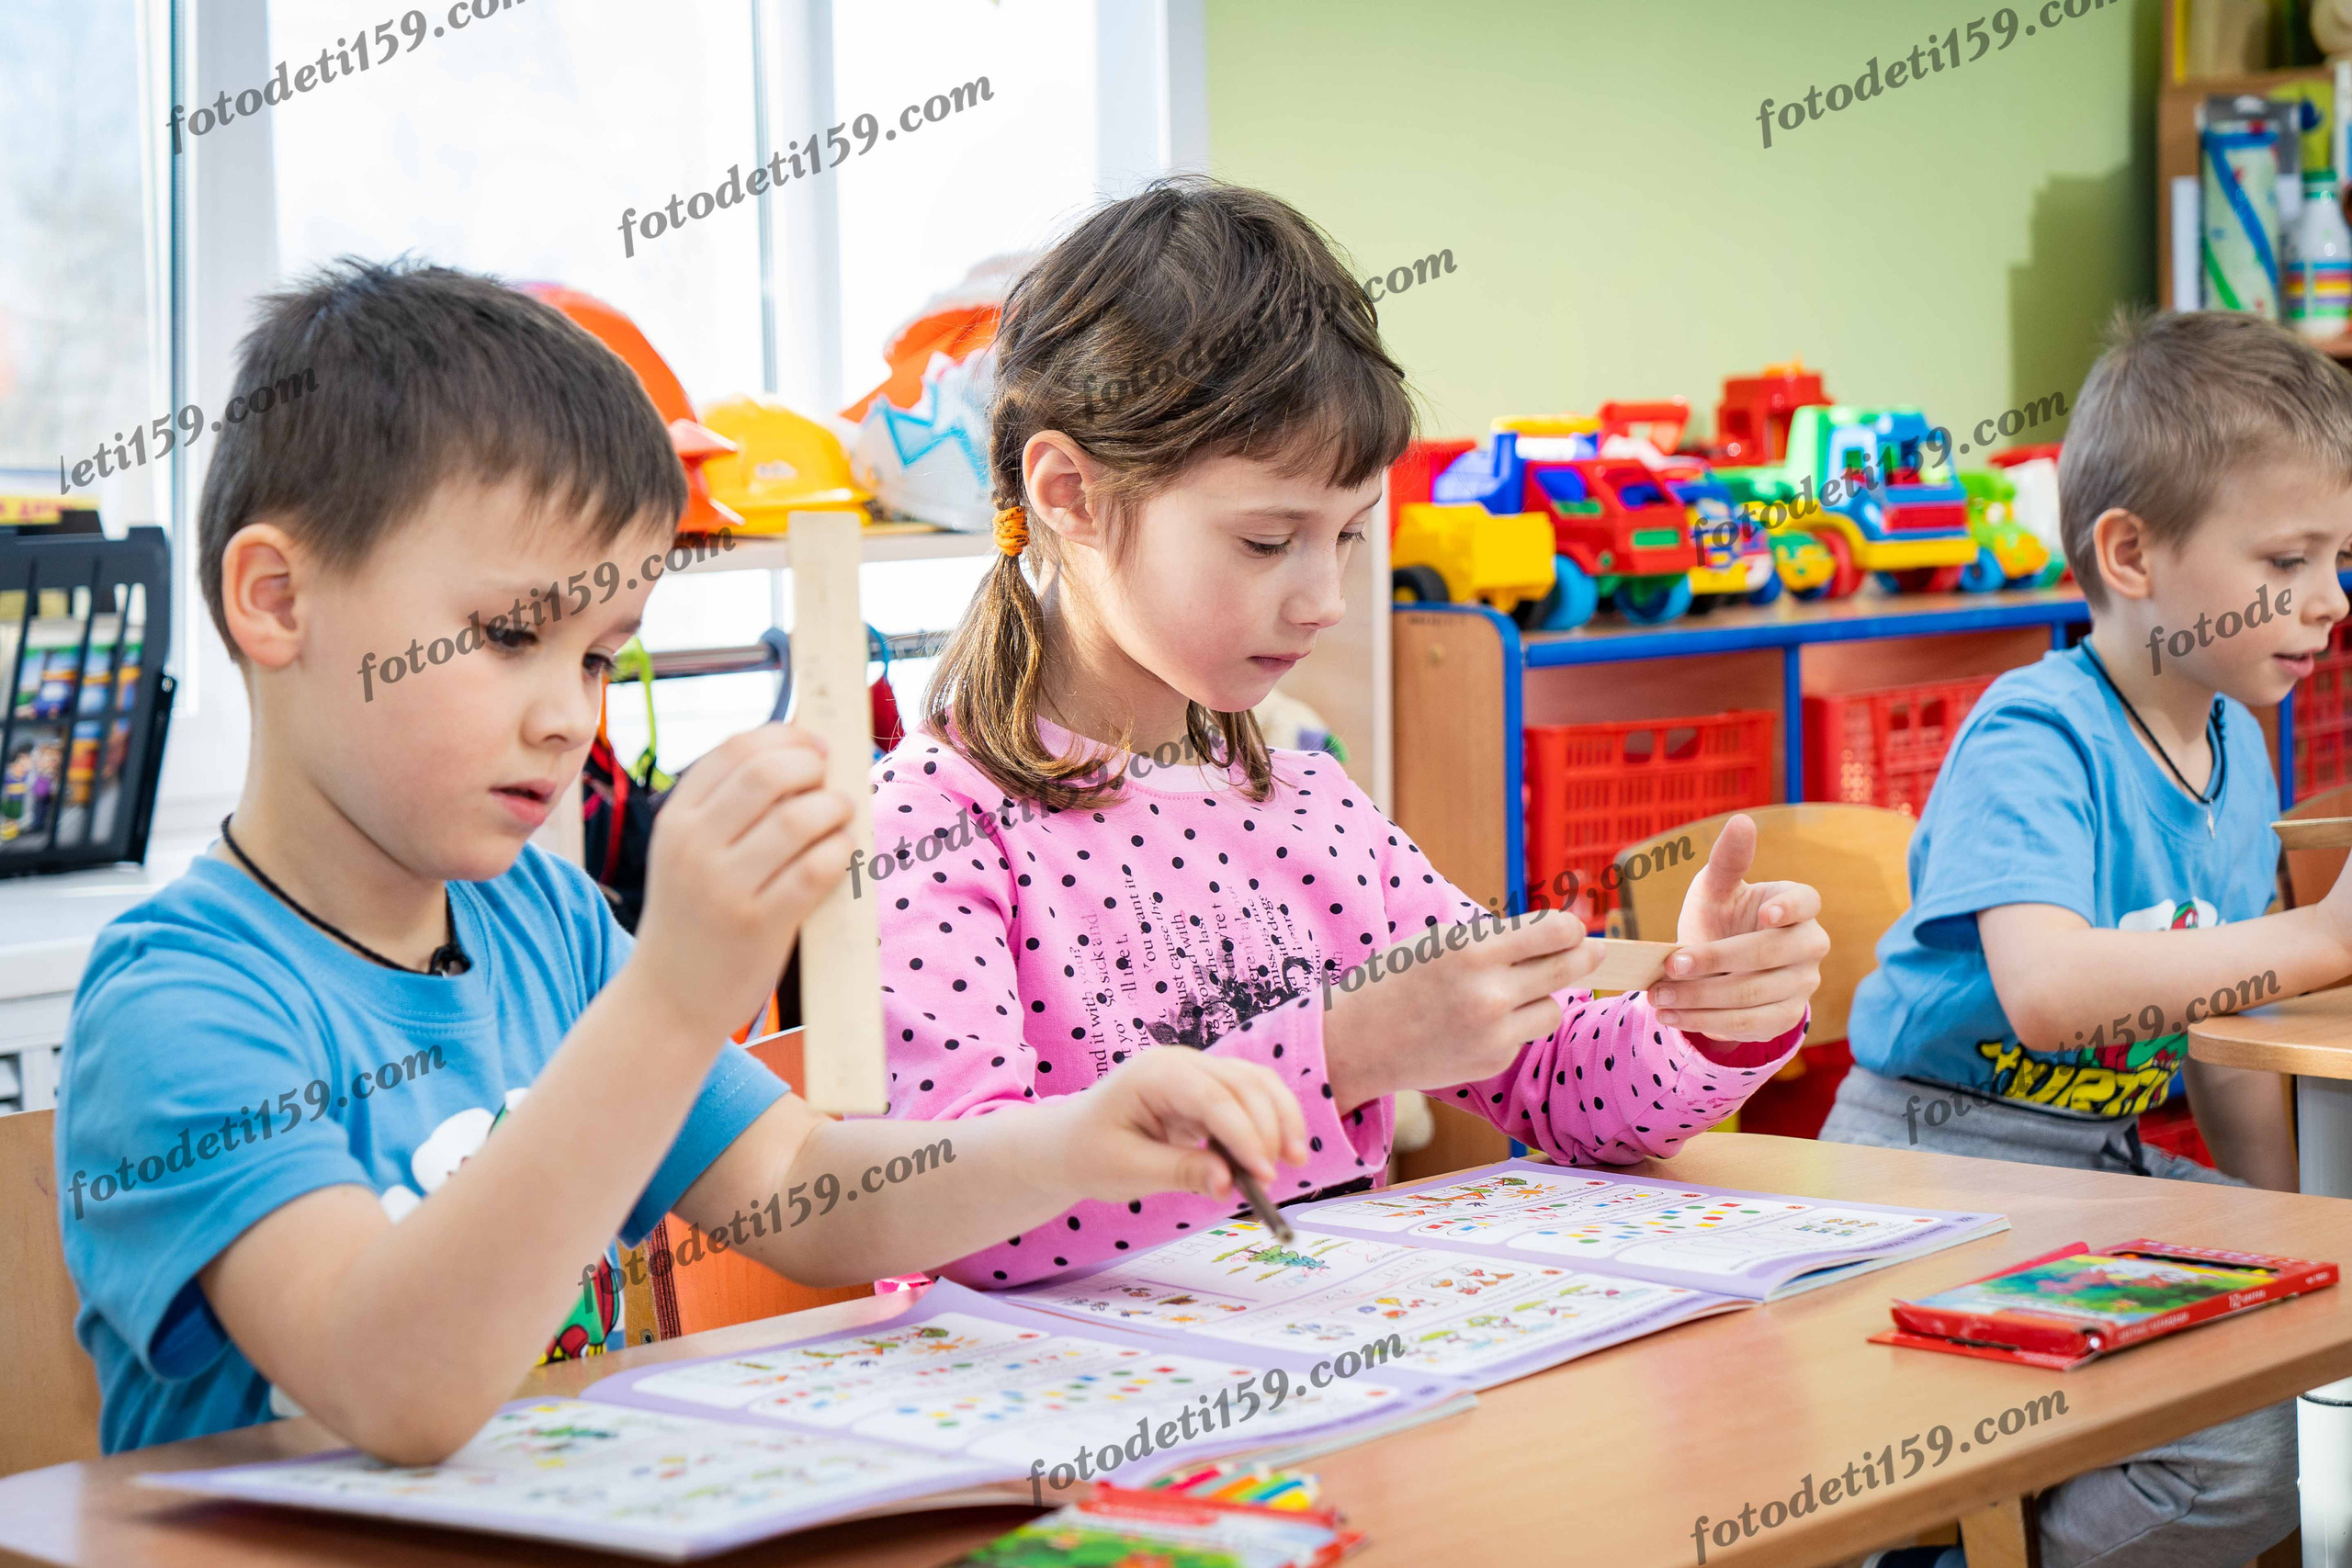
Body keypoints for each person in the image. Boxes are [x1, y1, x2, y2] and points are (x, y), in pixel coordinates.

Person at [54, 258, 1308, 1461]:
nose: (569, 714)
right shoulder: (178, 1003)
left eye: (599, 654)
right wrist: (675, 989)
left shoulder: (541, 918)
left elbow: (804, 1187)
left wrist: (1073, 1141)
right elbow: (397, 1387)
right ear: (276, 599)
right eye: (508, 633)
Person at [866, 177, 1829, 1288]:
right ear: (1069, 495)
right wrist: (1342, 1051)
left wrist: (1710, 1017)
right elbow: (955, 1224)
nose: (1323, 596)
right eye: (1269, 542)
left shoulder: (1310, 808)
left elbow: (1562, 1086)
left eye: (1350, 537)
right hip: (1059, 1430)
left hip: (1323, 1393)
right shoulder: (933, 828)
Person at [1823, 309, 2346, 1568]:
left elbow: (2221, 1034)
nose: (2331, 600)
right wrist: (2323, 938)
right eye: (2291, 556)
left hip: (2087, 1170)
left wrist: (2279, 1246)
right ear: (2130, 552)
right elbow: (2052, 992)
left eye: (2341, 557)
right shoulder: (2036, 732)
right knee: (2239, 1454)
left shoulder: (2236, 736)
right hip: (1934, 1172)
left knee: (2313, 1338)